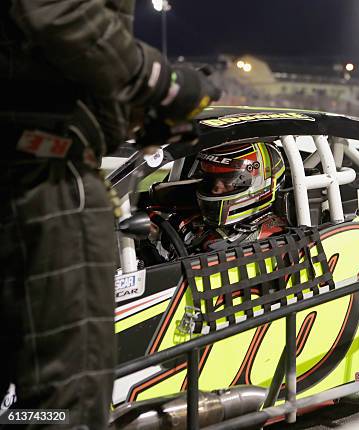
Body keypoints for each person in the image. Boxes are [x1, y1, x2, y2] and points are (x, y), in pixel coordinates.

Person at [0, 1, 220, 428]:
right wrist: (161, 82)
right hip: (43, 175)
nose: (218, 189)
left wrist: (131, 108)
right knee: (66, 404)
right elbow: (56, 12)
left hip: (32, 166)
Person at [166, 142, 287, 255]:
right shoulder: (192, 220)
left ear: (261, 184)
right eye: (211, 179)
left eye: (228, 181)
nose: (215, 189)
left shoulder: (272, 238)